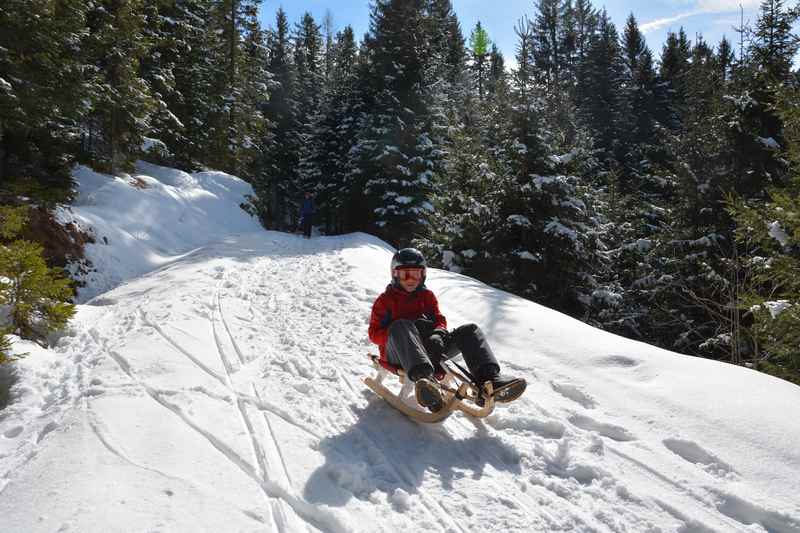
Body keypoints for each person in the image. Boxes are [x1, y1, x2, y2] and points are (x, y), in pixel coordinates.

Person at [368, 248, 526, 413]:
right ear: (394, 274)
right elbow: (373, 334)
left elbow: (439, 319)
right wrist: (402, 331)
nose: (411, 280)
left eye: (416, 274)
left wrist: (438, 333)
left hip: (430, 348)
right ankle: (426, 385)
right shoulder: (385, 301)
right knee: (402, 325)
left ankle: (490, 380)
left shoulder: (427, 296)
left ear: (423, 275)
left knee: (469, 330)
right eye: (405, 274)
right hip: (400, 354)